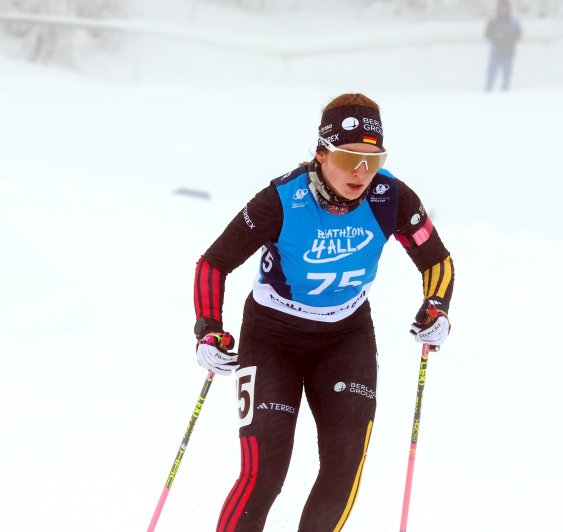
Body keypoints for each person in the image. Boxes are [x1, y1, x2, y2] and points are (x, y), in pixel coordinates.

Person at [192, 93, 455, 531]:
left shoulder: (391, 197)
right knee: (265, 472)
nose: (361, 172)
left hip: (345, 338)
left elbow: (437, 262)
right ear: (321, 153)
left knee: (344, 468)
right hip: (272, 337)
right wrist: (208, 329)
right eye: (349, 158)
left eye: (373, 160)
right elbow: (213, 264)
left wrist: (437, 307)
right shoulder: (280, 200)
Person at [484, 0, 522, 91]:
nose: (503, 9)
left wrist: (506, 36)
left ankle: (505, 93)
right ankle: (487, 92)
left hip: (508, 52)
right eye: (501, 8)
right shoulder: (493, 21)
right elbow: (487, 34)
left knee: (506, 76)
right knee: (491, 74)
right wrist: (496, 35)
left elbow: (518, 35)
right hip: (495, 52)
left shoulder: (514, 22)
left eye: (505, 8)